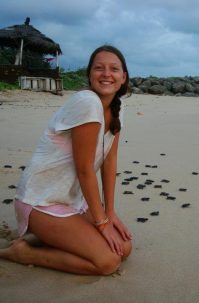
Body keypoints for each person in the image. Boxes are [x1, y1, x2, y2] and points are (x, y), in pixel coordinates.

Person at [0, 45, 132, 275]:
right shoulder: (87, 103)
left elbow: (110, 163)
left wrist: (110, 213)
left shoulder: (116, 109)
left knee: (124, 248)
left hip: (71, 200)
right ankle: (25, 252)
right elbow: (84, 169)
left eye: (114, 69)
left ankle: (44, 238)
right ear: (90, 75)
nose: (106, 74)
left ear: (123, 77)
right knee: (108, 262)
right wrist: (101, 223)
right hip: (41, 200)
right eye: (99, 68)